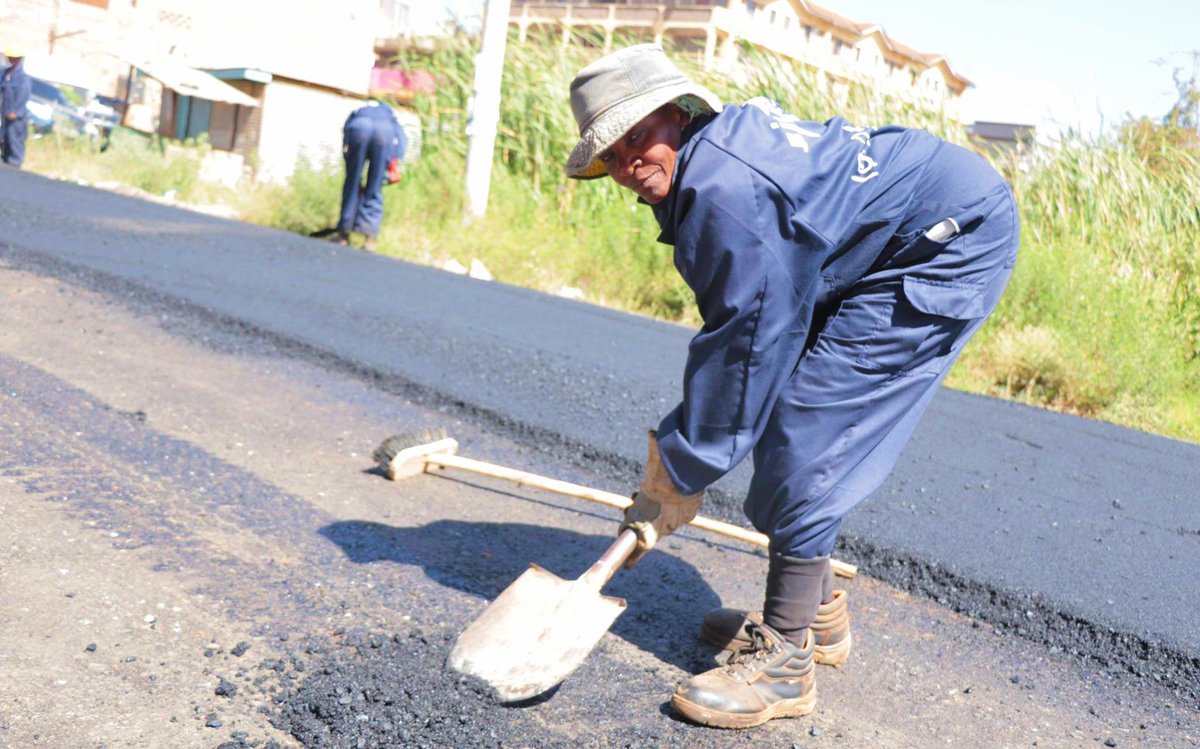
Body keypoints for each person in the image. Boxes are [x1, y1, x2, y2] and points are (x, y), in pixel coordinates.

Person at [566, 44, 1018, 729]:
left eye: (640, 135)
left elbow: (745, 347)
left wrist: (679, 469)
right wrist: (687, 458)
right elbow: (750, 338)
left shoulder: (727, 193)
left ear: (678, 115)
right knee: (788, 419)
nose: (630, 160)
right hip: (875, 241)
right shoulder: (709, 169)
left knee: (806, 437)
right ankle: (820, 614)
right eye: (613, 151)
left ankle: (784, 659)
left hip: (944, 241)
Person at [336, 99, 407, 251]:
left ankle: (343, 235)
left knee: (352, 184)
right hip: (384, 133)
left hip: (359, 129)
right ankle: (369, 240)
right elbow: (400, 138)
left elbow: (347, 129)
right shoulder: (388, 112)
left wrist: (349, 162)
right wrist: (394, 162)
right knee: (375, 186)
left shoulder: (359, 108)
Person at [1, 47, 32, 168]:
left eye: (14, 58)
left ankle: (15, 167)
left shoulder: (23, 79)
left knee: (14, 142)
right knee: (4, 141)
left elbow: (23, 97)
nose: (11, 60)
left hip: (16, 120)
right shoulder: (5, 74)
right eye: (10, 57)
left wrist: (15, 112)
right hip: (4, 116)